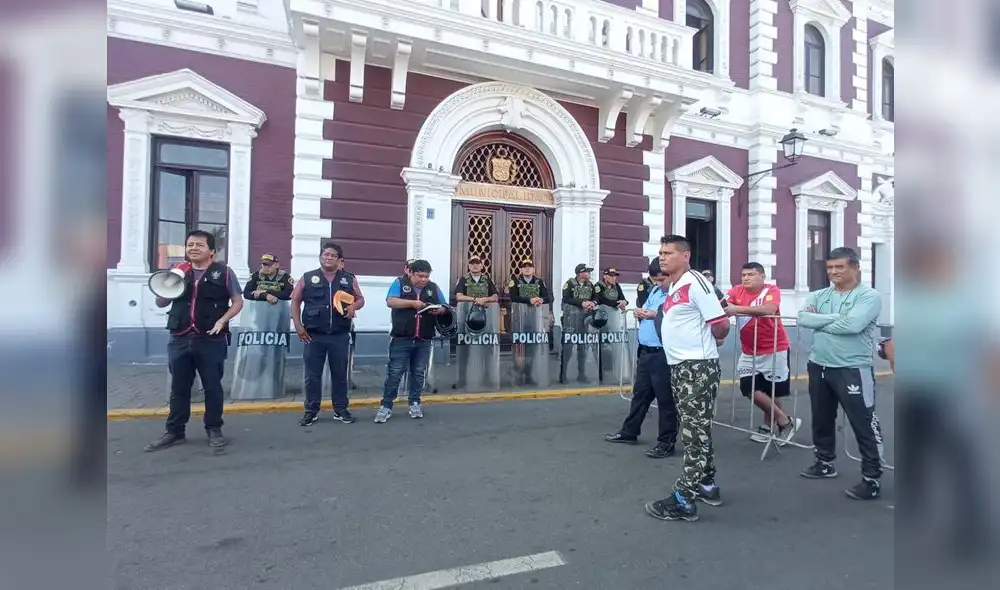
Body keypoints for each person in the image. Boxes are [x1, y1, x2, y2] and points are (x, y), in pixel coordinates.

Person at [645, 235, 729, 522]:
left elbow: (720, 325)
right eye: (660, 252)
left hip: (697, 368)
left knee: (693, 433)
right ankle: (707, 484)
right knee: (697, 429)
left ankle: (683, 498)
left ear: (686, 255)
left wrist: (705, 345)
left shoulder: (696, 283)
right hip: (682, 366)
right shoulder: (676, 285)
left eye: (668, 252)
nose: (662, 257)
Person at [796, 247, 885, 499]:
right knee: (821, 419)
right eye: (830, 268)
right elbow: (803, 318)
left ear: (855, 267)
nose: (833, 272)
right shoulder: (820, 295)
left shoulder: (868, 296)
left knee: (864, 422)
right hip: (819, 365)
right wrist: (837, 318)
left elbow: (854, 325)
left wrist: (822, 320)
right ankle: (824, 462)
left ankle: (871, 477)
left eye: (840, 267)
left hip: (852, 369)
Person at [145, 229, 244, 453]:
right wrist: (170, 282)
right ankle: (175, 431)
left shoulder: (224, 273)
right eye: (190, 245)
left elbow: (238, 301)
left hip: (210, 339)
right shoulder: (178, 270)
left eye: (199, 245)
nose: (193, 248)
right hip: (180, 337)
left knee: (212, 387)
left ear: (212, 251)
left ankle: (214, 429)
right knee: (179, 388)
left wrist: (223, 320)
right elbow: (161, 303)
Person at [605, 258, 678, 458]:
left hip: (663, 352)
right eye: (654, 280)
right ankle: (630, 431)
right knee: (640, 394)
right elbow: (646, 309)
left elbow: (669, 317)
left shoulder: (676, 294)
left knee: (665, 399)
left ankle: (666, 441)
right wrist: (639, 312)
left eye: (661, 280)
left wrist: (654, 315)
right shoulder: (654, 291)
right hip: (646, 351)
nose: (658, 284)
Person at [291, 241, 365, 427]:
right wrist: (298, 326)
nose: (329, 258)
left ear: (340, 260)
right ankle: (311, 411)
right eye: (326, 254)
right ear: (320, 257)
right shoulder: (308, 278)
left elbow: (360, 298)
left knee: (339, 374)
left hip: (339, 335)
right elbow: (295, 302)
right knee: (312, 375)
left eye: (333, 255)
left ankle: (340, 409)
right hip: (313, 335)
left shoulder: (348, 279)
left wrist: (354, 307)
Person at [724, 262, 800, 443]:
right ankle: (785, 421)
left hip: (774, 348)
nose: (746, 278)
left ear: (762, 276)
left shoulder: (770, 290)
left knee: (772, 391)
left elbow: (769, 310)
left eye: (751, 274)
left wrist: (738, 309)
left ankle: (768, 428)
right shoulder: (736, 290)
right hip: (749, 351)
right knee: (748, 387)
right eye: (743, 275)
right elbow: (725, 305)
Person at [375, 259, 450, 423]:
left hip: (424, 338)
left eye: (426, 276)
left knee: (418, 373)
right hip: (401, 338)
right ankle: (386, 406)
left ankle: (415, 402)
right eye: (420, 276)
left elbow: (445, 305)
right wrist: (412, 303)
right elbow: (390, 301)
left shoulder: (433, 288)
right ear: (411, 273)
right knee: (395, 373)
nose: (423, 280)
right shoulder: (399, 283)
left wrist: (440, 310)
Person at [453, 256, 499, 388]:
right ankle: (462, 380)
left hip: (486, 318)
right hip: (467, 318)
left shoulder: (487, 279)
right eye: (472, 263)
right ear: (468, 266)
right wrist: (475, 299)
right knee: (465, 350)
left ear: (481, 266)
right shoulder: (464, 279)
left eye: (477, 263)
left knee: (486, 349)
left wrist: (485, 300)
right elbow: (459, 296)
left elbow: (495, 297)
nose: (474, 266)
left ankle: (488, 379)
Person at [507, 258, 553, 385]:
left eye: (530, 266)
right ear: (521, 269)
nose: (527, 268)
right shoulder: (515, 281)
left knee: (532, 350)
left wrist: (541, 300)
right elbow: (513, 297)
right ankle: (517, 374)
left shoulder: (539, 281)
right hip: (519, 319)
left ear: (533, 269)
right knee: (519, 349)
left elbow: (549, 297)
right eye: (524, 266)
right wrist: (529, 300)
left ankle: (528, 375)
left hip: (535, 320)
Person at [559, 263, 597, 383]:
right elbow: (566, 298)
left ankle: (582, 375)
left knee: (583, 349)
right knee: (568, 349)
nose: (589, 274)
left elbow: (596, 297)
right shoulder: (569, 284)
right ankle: (563, 375)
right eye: (587, 272)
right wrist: (582, 303)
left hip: (584, 321)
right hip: (570, 321)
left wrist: (593, 303)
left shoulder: (590, 285)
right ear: (580, 273)